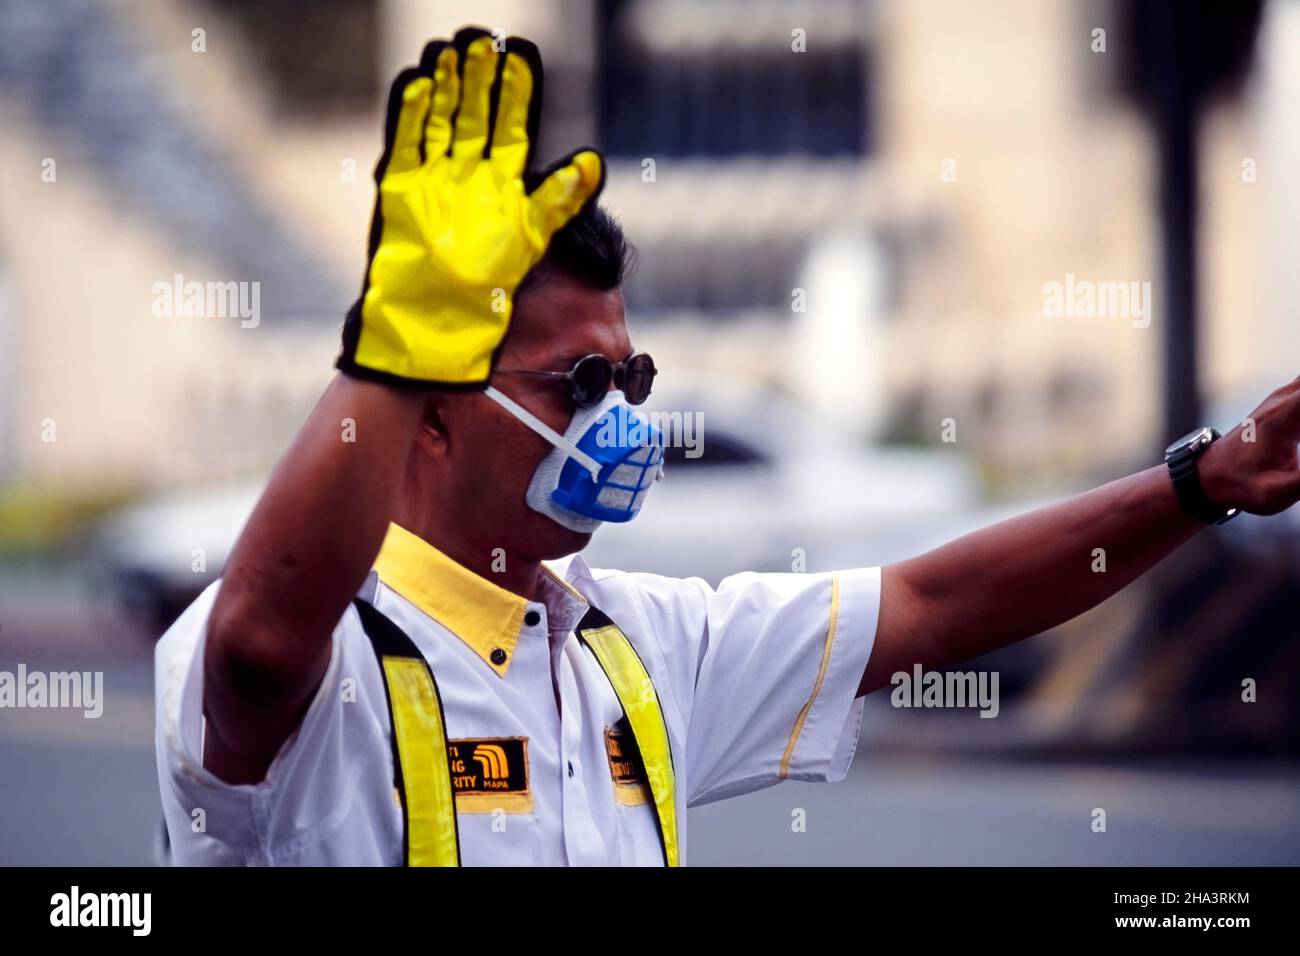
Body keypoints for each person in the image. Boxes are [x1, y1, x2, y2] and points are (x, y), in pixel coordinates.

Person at [154, 27, 1300, 866]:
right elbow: (259, 646)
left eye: (631, 377)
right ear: (436, 406)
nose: (618, 413)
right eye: (578, 383)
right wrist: (388, 354)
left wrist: (1201, 483)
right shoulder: (322, 657)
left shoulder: (637, 649)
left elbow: (933, 601)